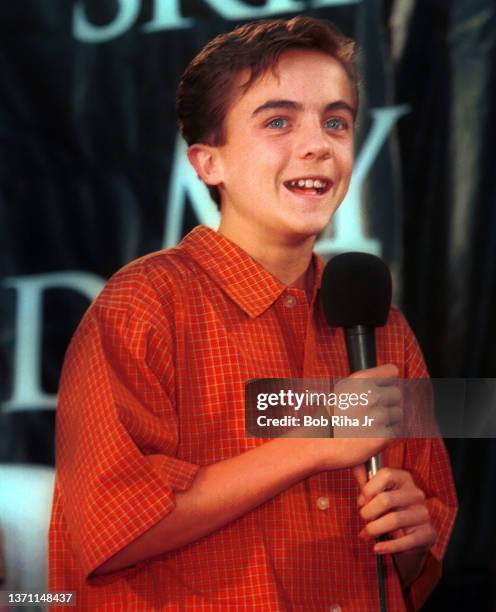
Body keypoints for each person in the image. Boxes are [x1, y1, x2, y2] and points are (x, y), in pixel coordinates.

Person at [48, 16, 457, 611]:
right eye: (278, 121)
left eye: (336, 121)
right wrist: (317, 443)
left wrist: (413, 539)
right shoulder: (144, 304)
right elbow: (108, 530)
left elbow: (418, 560)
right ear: (208, 163)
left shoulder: (381, 323)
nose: (319, 144)